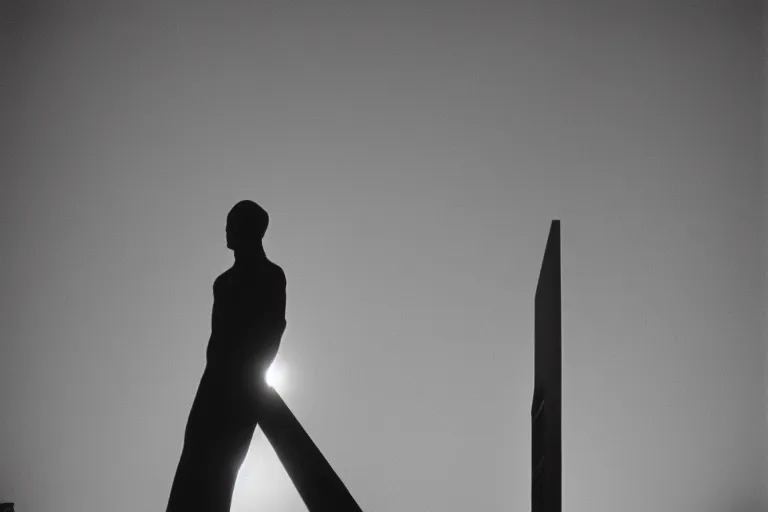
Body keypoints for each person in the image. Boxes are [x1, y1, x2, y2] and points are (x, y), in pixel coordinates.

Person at [166, 200, 287, 512]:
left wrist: (250, 378)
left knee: (221, 473)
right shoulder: (223, 283)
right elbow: (215, 339)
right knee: (192, 465)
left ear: (250, 230)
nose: (226, 230)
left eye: (232, 223)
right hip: (212, 386)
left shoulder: (272, 276)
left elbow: (273, 331)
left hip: (243, 388)